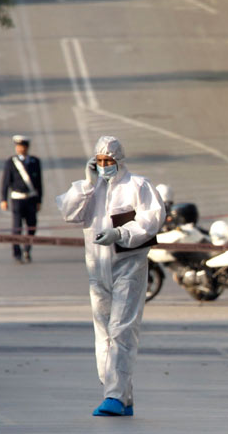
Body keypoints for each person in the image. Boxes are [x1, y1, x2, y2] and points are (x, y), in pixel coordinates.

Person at [56, 136, 164, 417]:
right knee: (103, 334)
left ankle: (114, 396)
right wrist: (87, 184)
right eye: (100, 160)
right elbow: (69, 213)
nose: (104, 165)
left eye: (109, 160)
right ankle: (121, 396)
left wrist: (121, 233)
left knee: (121, 330)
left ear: (119, 160)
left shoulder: (138, 186)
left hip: (128, 268)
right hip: (97, 270)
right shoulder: (91, 189)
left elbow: (151, 220)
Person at [0, 135, 43, 264]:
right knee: (17, 227)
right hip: (17, 199)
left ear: (27, 147)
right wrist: (3, 199)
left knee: (32, 226)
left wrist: (39, 200)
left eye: (22, 146)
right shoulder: (11, 162)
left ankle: (27, 249)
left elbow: (39, 183)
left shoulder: (35, 161)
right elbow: (5, 182)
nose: (20, 149)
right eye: (18, 146)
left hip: (31, 198)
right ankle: (17, 252)